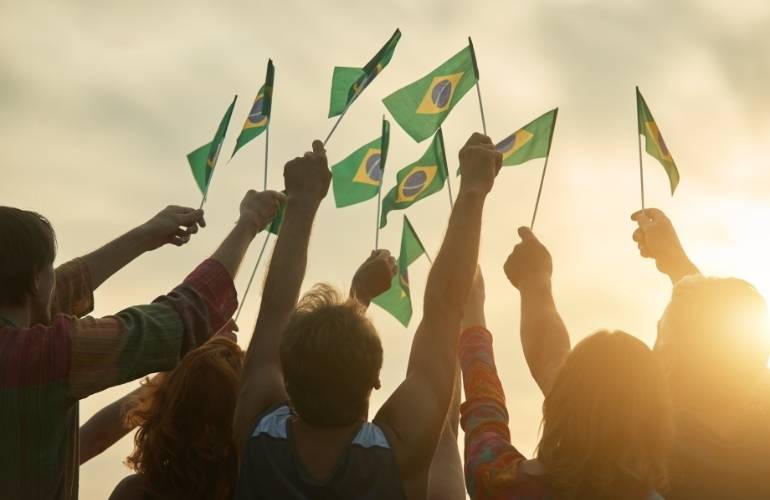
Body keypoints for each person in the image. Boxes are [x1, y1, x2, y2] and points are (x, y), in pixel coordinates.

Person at [233, 134, 501, 499]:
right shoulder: (399, 452)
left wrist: (302, 202)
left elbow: (274, 309)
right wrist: (473, 190)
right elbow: (443, 312)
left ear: (286, 372)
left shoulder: (256, 429)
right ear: (376, 379)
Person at [0, 190, 283, 500]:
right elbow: (183, 314)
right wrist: (249, 222)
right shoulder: (46, 354)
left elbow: (64, 287)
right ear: (35, 280)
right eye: (49, 269)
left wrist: (144, 236)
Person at [459, 230, 673, 499]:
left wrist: (473, 305)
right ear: (659, 416)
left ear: (559, 401)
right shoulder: (691, 477)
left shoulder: (498, 479)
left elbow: (483, 402)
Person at [631, 208, 770, 498]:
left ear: (671, 362)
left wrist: (535, 283)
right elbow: (715, 337)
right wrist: (673, 259)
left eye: (660, 338)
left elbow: (561, 377)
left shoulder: (644, 457)